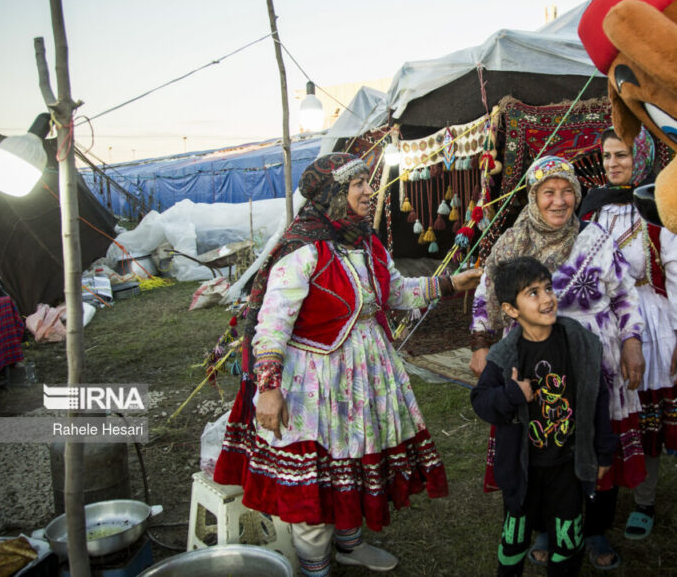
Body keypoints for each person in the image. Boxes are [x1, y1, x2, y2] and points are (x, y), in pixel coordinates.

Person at [213, 153, 481, 577]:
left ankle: (350, 544)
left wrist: (449, 283)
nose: (369, 191)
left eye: (366, 183)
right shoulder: (302, 252)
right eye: (358, 184)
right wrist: (268, 387)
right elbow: (272, 325)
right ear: (333, 194)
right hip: (315, 379)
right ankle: (315, 565)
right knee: (317, 475)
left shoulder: (365, 242)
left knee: (355, 459)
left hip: (366, 376)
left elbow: (396, 294)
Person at [469, 155, 644, 570]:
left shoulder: (596, 239)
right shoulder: (512, 243)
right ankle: (545, 528)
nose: (559, 201)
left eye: (567, 191)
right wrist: (480, 343)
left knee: (595, 440)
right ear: (533, 196)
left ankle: (595, 529)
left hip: (591, 358)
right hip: (531, 358)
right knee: (540, 445)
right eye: (549, 192)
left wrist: (633, 341)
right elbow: (486, 293)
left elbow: (624, 294)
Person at [578, 127, 677, 541]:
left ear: (640, 156)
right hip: (604, 324)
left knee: (646, 419)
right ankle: (605, 490)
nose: (612, 164)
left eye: (621, 155)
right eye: (606, 156)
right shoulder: (594, 208)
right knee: (609, 415)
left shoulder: (660, 205)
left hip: (651, 321)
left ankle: (645, 499)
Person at [471, 256, 616, 576]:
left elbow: (597, 396)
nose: (548, 298)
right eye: (533, 293)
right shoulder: (504, 355)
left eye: (548, 288)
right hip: (523, 470)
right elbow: (480, 401)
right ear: (511, 310)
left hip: (567, 465)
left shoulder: (576, 343)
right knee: (515, 537)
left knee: (568, 538)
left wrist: (604, 450)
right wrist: (511, 394)